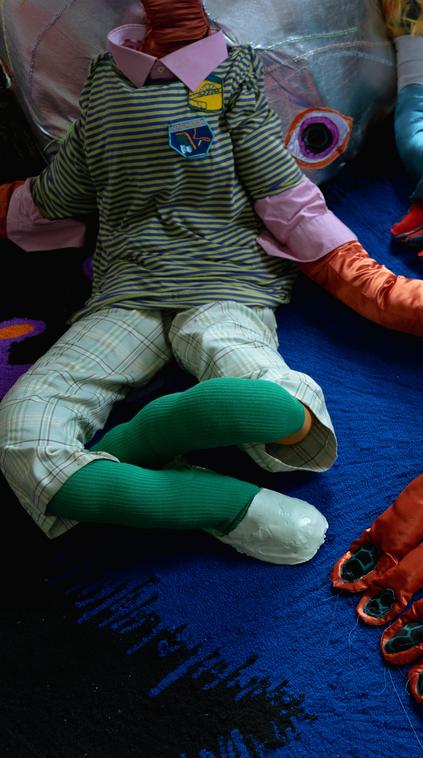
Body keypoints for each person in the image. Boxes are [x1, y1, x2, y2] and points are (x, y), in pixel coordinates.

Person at [0, 0, 362, 564]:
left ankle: (144, 446)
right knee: (23, 431)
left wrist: (346, 261)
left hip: (222, 277)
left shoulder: (233, 75)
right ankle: (222, 500)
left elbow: (278, 184)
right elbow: (62, 189)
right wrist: (11, 207)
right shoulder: (103, 86)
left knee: (251, 373)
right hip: (127, 290)